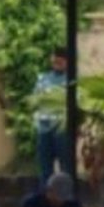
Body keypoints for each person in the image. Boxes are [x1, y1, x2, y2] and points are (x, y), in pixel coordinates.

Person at [32, 47, 73, 185]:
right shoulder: (43, 79)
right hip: (44, 128)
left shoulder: (71, 80)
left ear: (67, 61)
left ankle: (67, 199)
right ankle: (45, 198)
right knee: (44, 169)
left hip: (62, 129)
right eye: (55, 58)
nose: (57, 61)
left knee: (66, 168)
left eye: (61, 59)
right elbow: (35, 99)